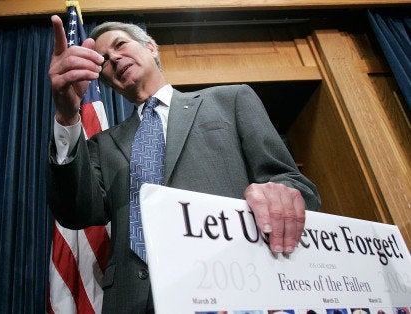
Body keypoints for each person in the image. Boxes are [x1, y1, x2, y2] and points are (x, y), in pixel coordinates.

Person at [46, 15, 321, 313]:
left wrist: (281, 194)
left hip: (234, 290)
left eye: (120, 44)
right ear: (106, 82)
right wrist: (66, 116)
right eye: (103, 61)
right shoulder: (101, 145)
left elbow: (294, 186)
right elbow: (74, 212)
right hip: (135, 301)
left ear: (151, 47)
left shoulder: (231, 101)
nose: (113, 58)